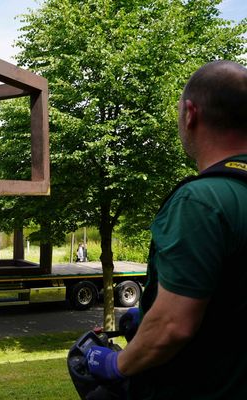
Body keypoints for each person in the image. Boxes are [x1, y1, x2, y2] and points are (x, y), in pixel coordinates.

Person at [85, 60, 247, 399]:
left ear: (190, 114)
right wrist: (147, 311)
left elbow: (173, 326)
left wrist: (116, 364)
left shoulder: (200, 202)